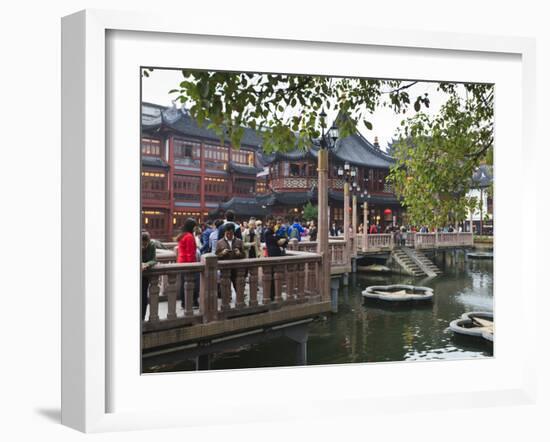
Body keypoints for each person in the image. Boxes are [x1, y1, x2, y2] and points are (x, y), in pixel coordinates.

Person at [177, 218, 200, 308]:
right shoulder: (189, 236)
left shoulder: (183, 235)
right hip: (188, 263)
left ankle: (184, 302)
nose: (195, 228)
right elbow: (190, 253)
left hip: (182, 262)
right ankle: (192, 302)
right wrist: (192, 265)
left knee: (184, 283)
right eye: (194, 226)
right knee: (193, 283)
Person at [264, 218, 288, 301]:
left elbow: (282, 239)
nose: (272, 225)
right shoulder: (267, 232)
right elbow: (279, 242)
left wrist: (284, 239)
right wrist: (283, 240)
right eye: (270, 223)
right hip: (272, 256)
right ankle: (271, 295)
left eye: (273, 223)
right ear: (267, 223)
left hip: (276, 255)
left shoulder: (273, 232)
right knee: (272, 276)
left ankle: (274, 294)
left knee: (276, 277)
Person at [215, 223, 245, 293]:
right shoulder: (220, 242)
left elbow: (244, 255)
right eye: (227, 233)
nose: (229, 235)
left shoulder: (239, 241)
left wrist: (239, 253)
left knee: (238, 287)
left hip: (236, 268)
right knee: (226, 289)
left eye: (231, 233)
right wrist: (222, 253)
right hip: (225, 269)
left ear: (233, 232)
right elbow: (216, 256)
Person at [141, 231, 157, 321]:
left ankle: (142, 317)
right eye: (142, 244)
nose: (144, 246)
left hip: (145, 275)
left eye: (145, 244)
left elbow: (154, 260)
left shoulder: (151, 245)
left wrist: (146, 264)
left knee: (143, 297)